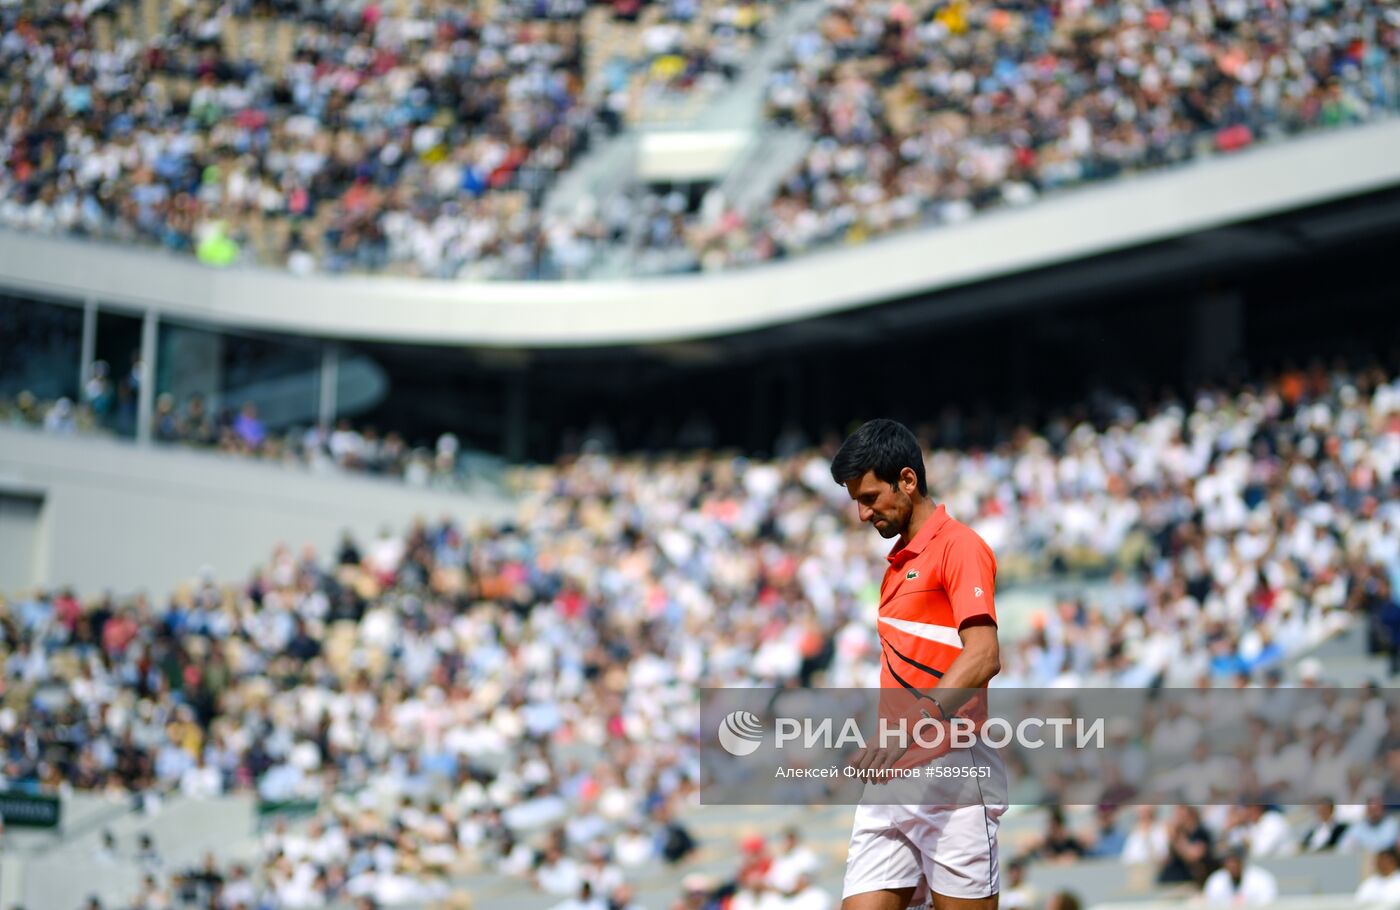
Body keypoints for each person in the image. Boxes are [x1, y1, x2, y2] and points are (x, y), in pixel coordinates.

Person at [829, 419, 1006, 910]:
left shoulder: (960, 546)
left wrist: (914, 725)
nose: (863, 514)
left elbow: (984, 654)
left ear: (907, 480)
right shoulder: (895, 567)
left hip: (953, 772)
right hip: (893, 776)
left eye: (868, 498)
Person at [1201, 846, 1278, 906]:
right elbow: (1210, 903)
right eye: (1229, 861)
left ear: (1242, 861)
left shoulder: (1262, 879)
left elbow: (1268, 904)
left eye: (1235, 861)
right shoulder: (1216, 880)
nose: (1232, 865)